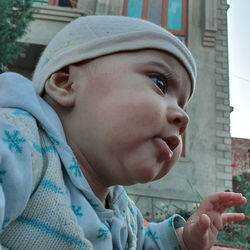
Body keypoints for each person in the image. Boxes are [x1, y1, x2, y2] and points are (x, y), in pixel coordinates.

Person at [0, 15, 246, 250]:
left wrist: (184, 239)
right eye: (159, 83)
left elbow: (141, 243)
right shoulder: (19, 143)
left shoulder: (122, 208)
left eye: (182, 104)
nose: (183, 118)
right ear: (66, 84)